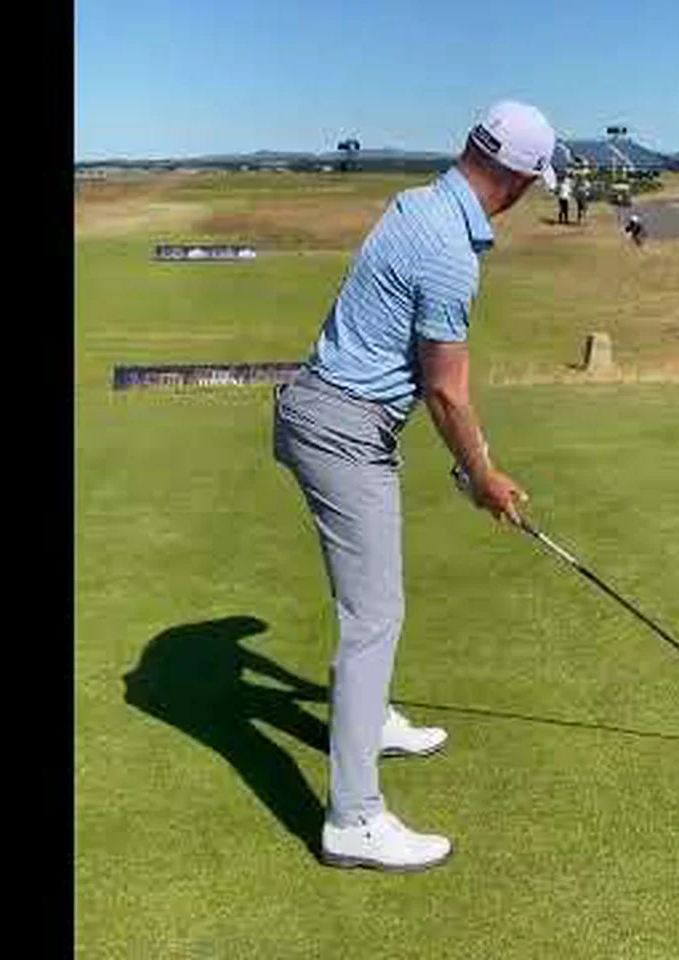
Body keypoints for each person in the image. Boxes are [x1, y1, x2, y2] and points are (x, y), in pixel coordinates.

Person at [272, 99, 555, 873]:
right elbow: (446, 391)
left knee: (375, 605)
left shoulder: (417, 202)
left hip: (327, 412)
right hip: (342, 430)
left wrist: (469, 469)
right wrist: (482, 474)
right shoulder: (450, 251)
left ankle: (370, 723)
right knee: (373, 617)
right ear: (522, 181)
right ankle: (353, 819)